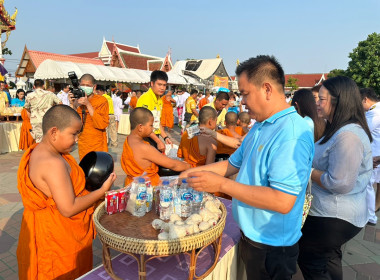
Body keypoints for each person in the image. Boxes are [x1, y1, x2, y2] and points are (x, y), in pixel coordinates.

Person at [180, 55, 314, 280]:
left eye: (244, 93)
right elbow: (232, 164)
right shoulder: (261, 126)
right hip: (252, 235)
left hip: (272, 245)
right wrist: (192, 173)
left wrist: (221, 185)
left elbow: (282, 200)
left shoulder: (291, 133)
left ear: (267, 89)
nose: (241, 102)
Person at [17, 105, 116, 279]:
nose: (77, 139)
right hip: (56, 240)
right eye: (74, 134)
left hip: (50, 231)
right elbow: (68, 208)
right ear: (54, 132)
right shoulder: (52, 162)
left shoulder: (41, 150)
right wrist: (102, 191)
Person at [298, 76, 373, 280]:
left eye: (321, 99)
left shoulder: (348, 136)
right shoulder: (336, 129)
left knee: (310, 259)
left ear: (338, 101)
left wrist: (308, 171)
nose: (317, 104)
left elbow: (339, 183)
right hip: (333, 211)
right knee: (329, 257)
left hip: (335, 215)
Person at [121, 107, 190, 186]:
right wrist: (188, 166)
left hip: (131, 184)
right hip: (145, 189)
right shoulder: (144, 147)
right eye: (151, 125)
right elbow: (173, 165)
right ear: (140, 127)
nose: (153, 128)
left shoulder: (129, 139)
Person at [73, 74, 109, 160]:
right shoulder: (77, 101)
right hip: (83, 143)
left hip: (97, 143)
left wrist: (88, 104)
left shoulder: (101, 100)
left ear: (94, 87)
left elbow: (102, 124)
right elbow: (73, 122)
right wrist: (74, 105)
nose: (85, 87)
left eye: (88, 86)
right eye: (82, 85)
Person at [136, 70, 172, 152]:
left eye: (164, 85)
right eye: (159, 85)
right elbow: (144, 125)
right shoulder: (145, 99)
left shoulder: (159, 99)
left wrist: (165, 137)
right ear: (152, 83)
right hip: (144, 138)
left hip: (154, 137)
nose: (162, 88)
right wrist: (159, 141)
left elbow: (157, 122)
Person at [360, 87, 380, 225]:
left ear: (365, 99)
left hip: (374, 157)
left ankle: (371, 216)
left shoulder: (374, 113)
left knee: (368, 185)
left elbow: (362, 130)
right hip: (375, 155)